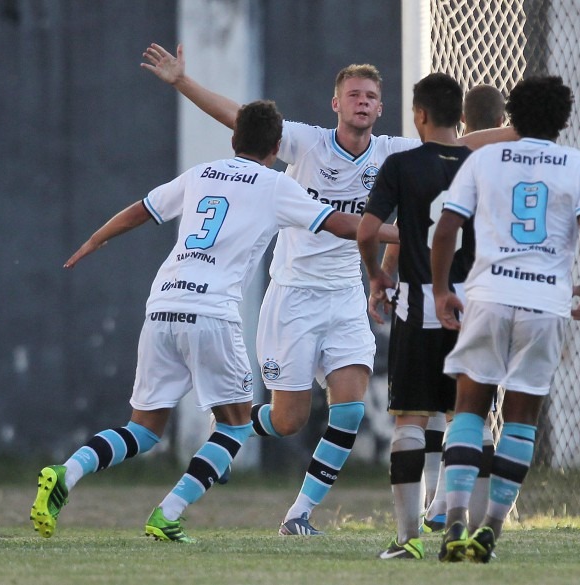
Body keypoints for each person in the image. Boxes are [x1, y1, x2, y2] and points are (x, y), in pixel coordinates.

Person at [141, 43, 516, 535]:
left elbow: (459, 146)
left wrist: (525, 129)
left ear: (381, 109)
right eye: (353, 94)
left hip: (344, 297)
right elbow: (239, 117)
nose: (362, 101)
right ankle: (235, 429)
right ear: (335, 104)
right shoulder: (305, 142)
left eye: (371, 96)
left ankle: (298, 515)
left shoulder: (392, 153)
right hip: (293, 296)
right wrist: (181, 82)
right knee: (289, 419)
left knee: (350, 408)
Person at [29, 100, 398, 543]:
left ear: (233, 140)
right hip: (212, 313)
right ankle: (169, 512)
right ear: (277, 146)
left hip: (162, 305)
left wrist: (93, 241)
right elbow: (341, 225)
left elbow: (141, 209)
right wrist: (407, 233)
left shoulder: (202, 173)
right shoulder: (275, 185)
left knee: (142, 429)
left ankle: (66, 472)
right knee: (236, 425)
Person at [430, 75, 580, 563]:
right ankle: (492, 526)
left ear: (513, 116)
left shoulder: (483, 158)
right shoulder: (579, 165)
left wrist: (444, 289)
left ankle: (456, 519)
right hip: (544, 302)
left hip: (486, 296)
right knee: (521, 417)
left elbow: (447, 230)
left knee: (469, 406)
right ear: (563, 119)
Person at [357, 72, 475, 560]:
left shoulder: (401, 164)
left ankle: (408, 540)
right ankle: (461, 527)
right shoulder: (480, 165)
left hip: (420, 304)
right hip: (472, 306)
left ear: (419, 115)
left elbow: (367, 230)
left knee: (410, 419)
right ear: (461, 117)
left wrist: (376, 277)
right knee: (468, 418)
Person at [421, 83, 508, 535]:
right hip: (486, 291)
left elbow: (419, 224)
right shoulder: (508, 164)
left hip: (433, 292)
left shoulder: (436, 159)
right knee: (474, 408)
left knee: (437, 406)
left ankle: (439, 500)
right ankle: (464, 507)